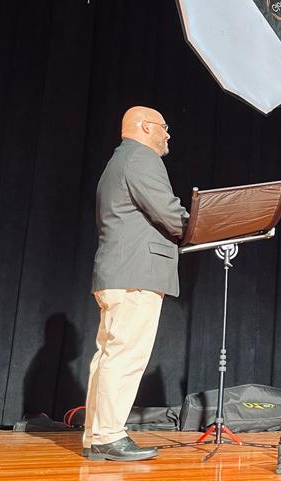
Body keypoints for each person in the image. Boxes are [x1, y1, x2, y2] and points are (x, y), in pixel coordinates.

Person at [83, 106, 189, 461]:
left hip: (118, 273)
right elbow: (169, 212)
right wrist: (201, 225)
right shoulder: (142, 158)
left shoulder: (119, 160)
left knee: (109, 356)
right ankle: (109, 435)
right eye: (164, 127)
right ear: (146, 127)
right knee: (125, 357)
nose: (168, 134)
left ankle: (96, 435)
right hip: (134, 275)